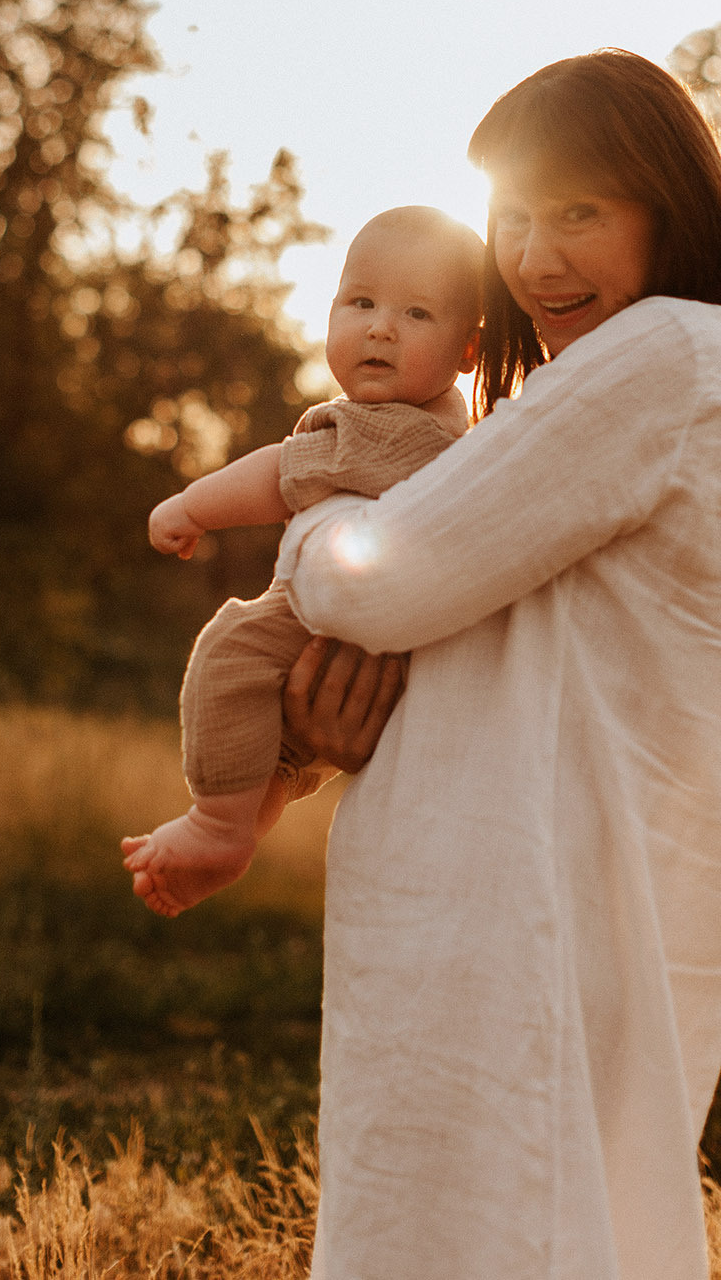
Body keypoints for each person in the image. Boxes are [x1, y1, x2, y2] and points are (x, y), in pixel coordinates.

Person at [270, 50, 721, 1280]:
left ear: (670, 208)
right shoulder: (656, 375)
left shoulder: (669, 352)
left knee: (506, 1230)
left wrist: (305, 524)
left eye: (581, 212)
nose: (537, 257)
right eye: (515, 216)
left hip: (529, 918)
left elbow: (386, 577)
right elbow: (503, 614)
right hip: (512, 906)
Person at [121, 205, 483, 917]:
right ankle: (236, 837)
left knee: (230, 651)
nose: (380, 327)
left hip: (330, 626)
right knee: (277, 751)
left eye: (416, 313)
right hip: (387, 653)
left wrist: (192, 507)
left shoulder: (388, 430)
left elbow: (280, 472)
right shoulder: (451, 427)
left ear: (468, 352)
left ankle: (218, 825)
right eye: (361, 302)